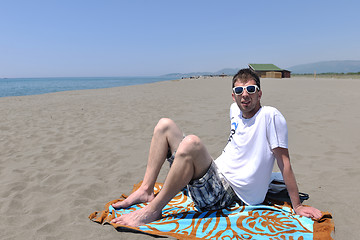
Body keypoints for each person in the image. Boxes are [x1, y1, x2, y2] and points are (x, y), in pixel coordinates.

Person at [111, 68, 322, 227]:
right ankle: (146, 190)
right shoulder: (234, 111)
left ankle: (153, 210)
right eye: (239, 90)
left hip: (230, 194)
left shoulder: (270, 116)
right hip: (215, 175)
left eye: (251, 89)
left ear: (259, 94)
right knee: (164, 125)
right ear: (233, 95)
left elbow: (284, 162)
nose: (244, 95)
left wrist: (298, 206)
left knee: (192, 143)